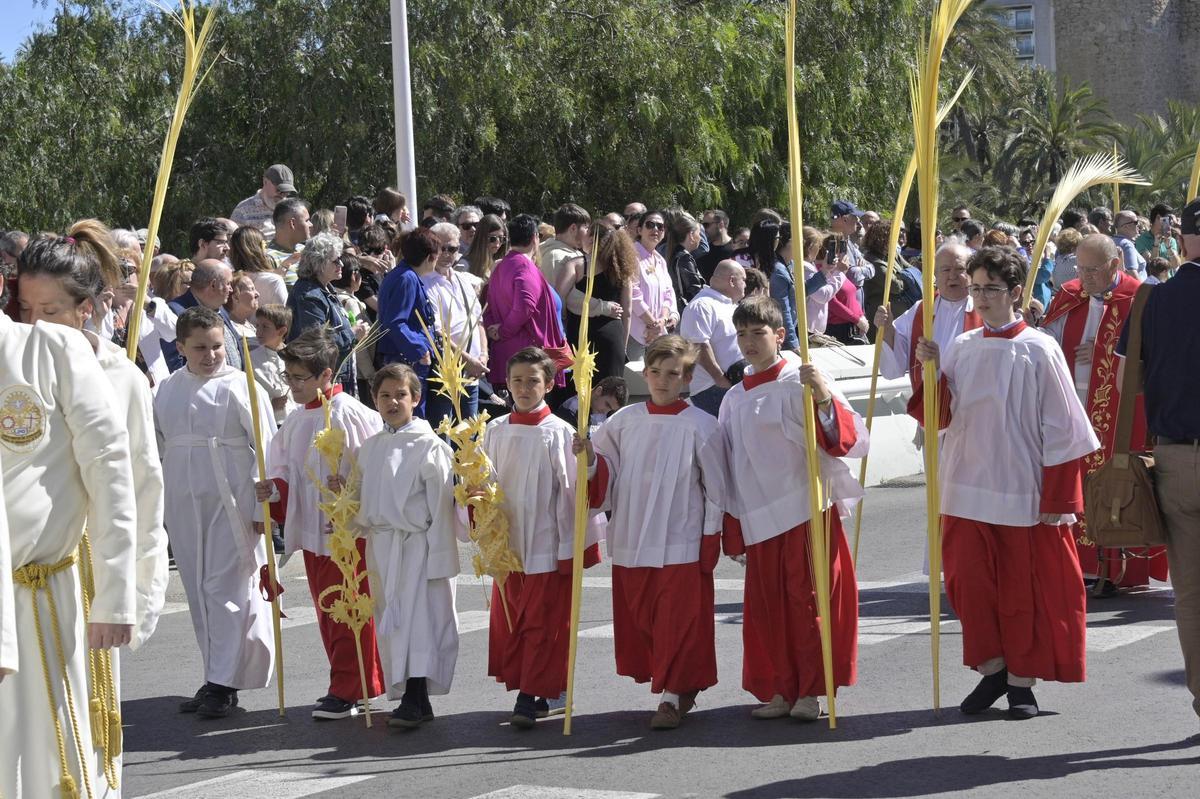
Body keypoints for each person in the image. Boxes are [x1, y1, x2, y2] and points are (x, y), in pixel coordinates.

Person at [17, 223, 169, 791]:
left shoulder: (119, 378)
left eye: (50, 310)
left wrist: (129, 593)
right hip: (20, 568)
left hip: (83, 569)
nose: (34, 325)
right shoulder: (13, 368)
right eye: (24, 308)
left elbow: (140, 488)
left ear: (85, 309)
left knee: (79, 716)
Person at [916, 245, 1099, 719]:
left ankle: (1021, 683)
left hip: (1020, 489)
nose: (980, 298)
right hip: (964, 485)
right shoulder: (960, 345)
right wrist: (931, 371)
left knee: (1023, 593)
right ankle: (993, 669)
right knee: (969, 587)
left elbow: (1066, 429)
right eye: (975, 289)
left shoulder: (1040, 348)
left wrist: (1059, 495)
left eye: (991, 289)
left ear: (1016, 292)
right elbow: (937, 416)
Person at [0, 237, 138, 798]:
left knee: (50, 763)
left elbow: (113, 473)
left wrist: (116, 595)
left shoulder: (53, 351)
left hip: (40, 596)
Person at [718, 295, 867, 721]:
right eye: (741, 333)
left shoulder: (802, 379)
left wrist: (821, 396)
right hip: (759, 515)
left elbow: (844, 436)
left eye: (758, 333)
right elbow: (729, 464)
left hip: (806, 508)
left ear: (780, 335)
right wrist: (733, 524)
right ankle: (781, 688)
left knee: (809, 602)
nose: (749, 342)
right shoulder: (733, 398)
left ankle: (811, 690)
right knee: (769, 608)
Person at [576, 335, 726, 729]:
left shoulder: (702, 425)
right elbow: (602, 473)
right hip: (632, 534)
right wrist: (590, 459)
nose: (662, 380)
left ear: (687, 378)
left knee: (677, 619)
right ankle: (678, 684)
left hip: (681, 536)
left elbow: (716, 488)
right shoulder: (622, 421)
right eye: (656, 372)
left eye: (673, 373)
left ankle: (672, 696)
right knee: (643, 618)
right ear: (645, 374)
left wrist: (712, 536)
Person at [257, 327, 386, 720]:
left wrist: (353, 487)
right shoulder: (297, 420)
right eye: (289, 377)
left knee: (352, 609)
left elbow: (380, 467)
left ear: (327, 375)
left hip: (349, 532)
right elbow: (284, 469)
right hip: (315, 531)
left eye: (300, 378)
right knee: (328, 610)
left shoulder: (354, 415)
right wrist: (274, 491)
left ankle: (353, 685)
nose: (292, 386)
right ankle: (348, 681)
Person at [155, 307, 276, 718]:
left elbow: (266, 446)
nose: (210, 355)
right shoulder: (168, 388)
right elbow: (157, 445)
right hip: (184, 502)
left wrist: (265, 502)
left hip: (232, 500)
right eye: (200, 348)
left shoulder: (242, 386)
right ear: (180, 347)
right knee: (197, 589)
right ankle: (214, 674)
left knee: (223, 589)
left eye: (217, 346)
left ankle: (223, 684)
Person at [478, 347, 604, 728]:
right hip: (508, 543)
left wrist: (590, 462)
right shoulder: (494, 430)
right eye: (516, 380)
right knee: (516, 619)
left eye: (533, 381)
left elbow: (575, 492)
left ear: (549, 384)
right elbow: (482, 483)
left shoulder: (561, 433)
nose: (524, 387)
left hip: (547, 543)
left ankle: (532, 694)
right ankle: (532, 686)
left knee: (543, 620)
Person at [1041, 233, 1165, 592]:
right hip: (1071, 410)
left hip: (1118, 414)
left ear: (1115, 265)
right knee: (1073, 483)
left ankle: (1115, 565)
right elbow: (1044, 344)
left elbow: (1153, 356)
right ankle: (1078, 563)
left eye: (1093, 269)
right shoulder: (1068, 295)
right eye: (1080, 267)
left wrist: (1104, 354)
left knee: (1115, 484)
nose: (1085, 276)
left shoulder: (1140, 298)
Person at [1116, 196, 1200, 725]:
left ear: (1183, 238)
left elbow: (1131, 381)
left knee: (1190, 592)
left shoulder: (1151, 301)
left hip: (1175, 457)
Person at [351, 363, 460, 729]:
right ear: (374, 400)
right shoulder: (370, 447)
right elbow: (362, 496)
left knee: (419, 622)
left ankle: (418, 696)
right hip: (382, 545)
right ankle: (407, 694)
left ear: (416, 398)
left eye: (401, 394)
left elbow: (442, 506)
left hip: (417, 546)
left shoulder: (431, 447)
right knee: (393, 620)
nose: (393, 401)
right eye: (385, 395)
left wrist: (441, 557)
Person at [875, 242, 981, 425]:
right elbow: (895, 366)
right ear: (935, 274)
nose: (952, 276)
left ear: (971, 274)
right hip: (933, 415)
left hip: (972, 418)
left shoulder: (984, 310)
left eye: (960, 269)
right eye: (945, 269)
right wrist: (887, 329)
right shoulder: (921, 310)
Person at [482, 215, 568, 390]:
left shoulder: (501, 265)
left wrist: (494, 330)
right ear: (535, 238)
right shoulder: (525, 267)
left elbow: (488, 305)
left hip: (507, 353)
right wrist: (503, 331)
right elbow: (525, 307)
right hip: (527, 357)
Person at [425, 222, 487, 423]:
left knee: (470, 434)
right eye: (441, 248)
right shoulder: (425, 282)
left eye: (452, 248)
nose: (446, 254)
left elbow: (479, 321)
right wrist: (468, 360)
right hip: (445, 372)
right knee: (444, 433)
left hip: (472, 371)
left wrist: (483, 355)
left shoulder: (463, 280)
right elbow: (436, 333)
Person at [287, 233, 362, 395]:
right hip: (321, 380)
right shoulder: (309, 295)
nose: (341, 264)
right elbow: (317, 340)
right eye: (335, 260)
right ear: (318, 263)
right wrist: (352, 332)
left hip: (333, 373)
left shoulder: (324, 288)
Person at [561, 224, 636, 381]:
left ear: (591, 239)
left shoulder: (575, 265)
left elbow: (559, 299)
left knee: (577, 396)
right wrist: (623, 346)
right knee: (609, 395)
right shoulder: (623, 269)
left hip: (580, 336)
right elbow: (627, 312)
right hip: (612, 337)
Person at [377, 227, 440, 413]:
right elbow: (396, 322)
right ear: (430, 257)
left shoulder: (402, 275)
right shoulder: (407, 278)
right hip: (407, 358)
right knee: (411, 413)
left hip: (404, 356)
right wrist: (419, 349)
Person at [680, 259, 745, 416]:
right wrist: (720, 379)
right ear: (732, 280)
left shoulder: (728, 305)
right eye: (743, 279)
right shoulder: (702, 306)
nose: (745, 285)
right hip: (712, 389)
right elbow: (698, 346)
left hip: (731, 386)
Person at [166, 258, 242, 370]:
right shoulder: (175, 313)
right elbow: (175, 363)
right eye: (228, 283)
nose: (231, 289)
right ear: (213, 285)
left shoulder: (218, 306)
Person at [628, 211, 678, 360]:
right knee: (636, 380)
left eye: (660, 226)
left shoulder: (660, 260)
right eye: (650, 225)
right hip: (635, 332)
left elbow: (668, 293)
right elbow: (633, 294)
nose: (655, 229)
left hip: (658, 333)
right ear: (639, 230)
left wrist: (661, 322)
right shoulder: (631, 255)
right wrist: (653, 324)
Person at [252, 304, 297, 426]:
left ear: (282, 331)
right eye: (257, 326)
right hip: (270, 423)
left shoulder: (295, 356)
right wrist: (270, 404)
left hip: (295, 420)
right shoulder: (251, 359)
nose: (258, 331)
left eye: (265, 327)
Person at [231, 164, 296, 238]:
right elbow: (233, 243)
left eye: (286, 191)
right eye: (279, 189)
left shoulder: (292, 209)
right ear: (265, 182)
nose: (282, 194)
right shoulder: (243, 210)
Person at [231, 225, 288, 306]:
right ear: (259, 248)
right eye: (264, 245)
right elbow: (284, 316)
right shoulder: (275, 281)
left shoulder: (229, 279)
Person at [802, 226, 843, 336]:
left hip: (811, 329)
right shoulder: (804, 267)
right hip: (808, 329)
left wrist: (829, 269)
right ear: (810, 246)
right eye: (818, 245)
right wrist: (839, 273)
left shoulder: (809, 265)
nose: (820, 249)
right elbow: (822, 296)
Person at [767, 223, 801, 352]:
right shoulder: (778, 270)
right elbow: (783, 309)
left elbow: (802, 292)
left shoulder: (790, 264)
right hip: (783, 338)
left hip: (788, 331)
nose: (803, 243)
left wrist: (826, 272)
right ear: (791, 242)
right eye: (800, 238)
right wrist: (793, 343)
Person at [537, 203, 591, 284]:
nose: (588, 233)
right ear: (573, 228)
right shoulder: (556, 258)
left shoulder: (570, 253)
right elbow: (555, 295)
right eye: (586, 228)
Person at [554, 375, 627, 432]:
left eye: (610, 410)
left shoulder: (600, 412)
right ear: (598, 391)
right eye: (607, 404)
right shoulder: (571, 409)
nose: (605, 411)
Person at [267, 198, 313, 287]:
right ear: (292, 224)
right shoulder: (269, 258)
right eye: (307, 221)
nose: (311, 225)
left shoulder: (306, 250)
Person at [664, 213, 706, 310]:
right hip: (685, 311)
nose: (700, 238)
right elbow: (694, 289)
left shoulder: (674, 253)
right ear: (691, 235)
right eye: (699, 234)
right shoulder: (684, 258)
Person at [465, 214, 507, 283]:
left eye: (501, 238)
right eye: (492, 238)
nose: (497, 243)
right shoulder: (465, 264)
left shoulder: (500, 262)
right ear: (481, 238)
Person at [698, 209, 735, 282]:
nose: (703, 229)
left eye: (706, 225)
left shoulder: (736, 249)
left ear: (721, 225)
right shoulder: (703, 251)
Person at [226, 271, 260, 346]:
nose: (258, 294)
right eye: (251, 289)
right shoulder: (231, 330)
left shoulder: (246, 323)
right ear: (236, 297)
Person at [1113, 210, 1147, 279]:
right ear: (1126, 226)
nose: (1138, 225)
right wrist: (1143, 289)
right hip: (1135, 288)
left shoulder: (1111, 241)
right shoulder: (1127, 244)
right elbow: (1131, 273)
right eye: (1136, 222)